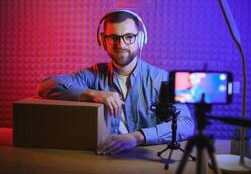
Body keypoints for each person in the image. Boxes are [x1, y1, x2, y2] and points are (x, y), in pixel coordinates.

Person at [37, 9, 194, 155]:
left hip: (147, 161)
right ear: (103, 41)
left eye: (129, 37)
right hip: (104, 160)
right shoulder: (93, 75)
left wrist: (137, 137)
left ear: (141, 39)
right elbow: (45, 87)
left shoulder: (162, 78)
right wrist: (92, 94)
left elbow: (186, 124)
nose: (121, 45)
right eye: (113, 38)